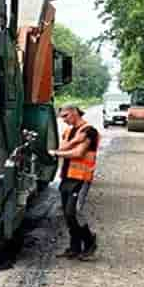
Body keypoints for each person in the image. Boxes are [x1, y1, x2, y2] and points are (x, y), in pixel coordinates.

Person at [49, 104, 99, 260]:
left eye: (66, 116)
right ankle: (74, 247)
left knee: (73, 211)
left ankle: (90, 242)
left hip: (81, 177)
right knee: (66, 214)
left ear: (75, 112)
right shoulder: (69, 131)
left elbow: (79, 153)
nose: (63, 120)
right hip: (67, 176)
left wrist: (59, 153)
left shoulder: (89, 131)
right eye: (62, 117)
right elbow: (63, 147)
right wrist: (72, 142)